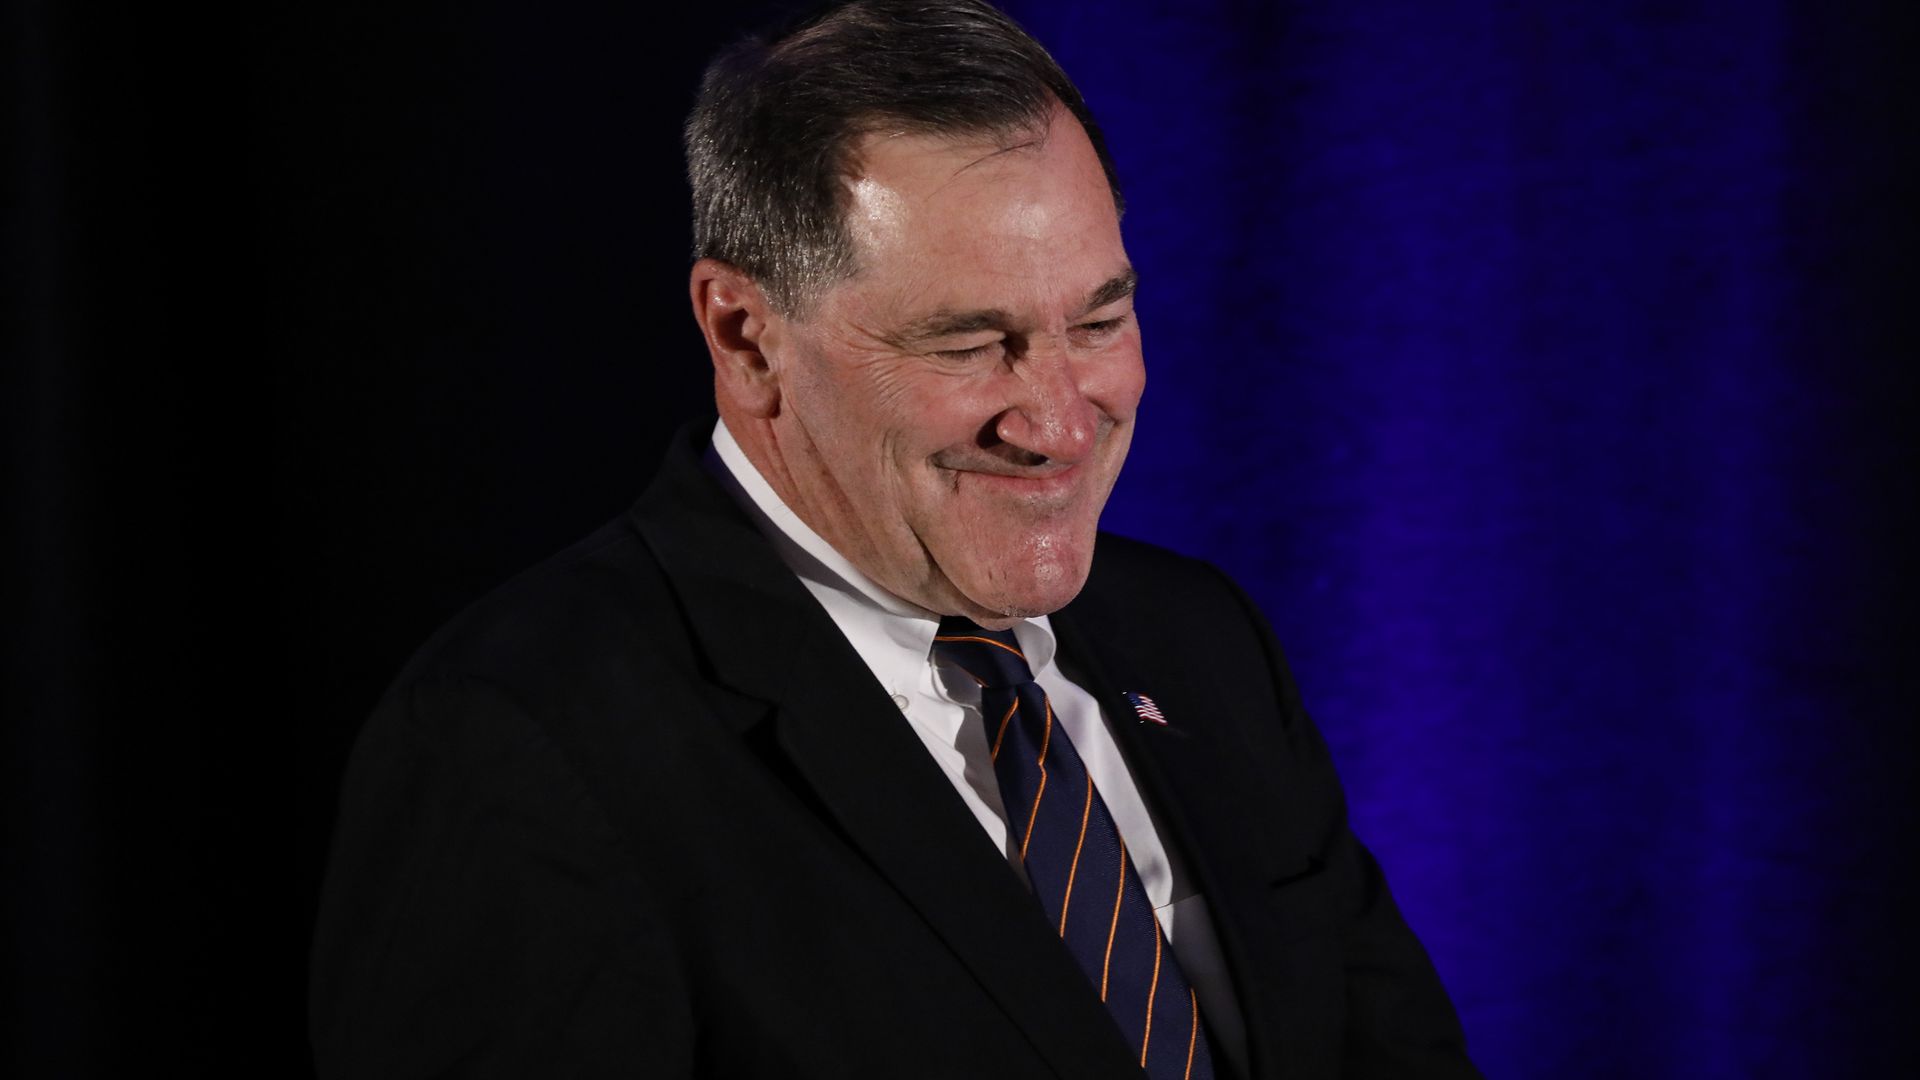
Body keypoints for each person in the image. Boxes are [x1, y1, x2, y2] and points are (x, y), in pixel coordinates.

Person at [309, 2, 1481, 1077]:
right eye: (969, 344)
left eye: (1100, 317)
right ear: (747, 337)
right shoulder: (522, 742)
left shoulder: (1198, 642)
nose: (1061, 420)